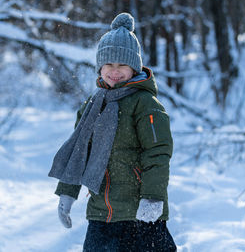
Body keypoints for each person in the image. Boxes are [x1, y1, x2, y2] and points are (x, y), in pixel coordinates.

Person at [48, 12, 176, 251]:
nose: (115, 71)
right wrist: (67, 193)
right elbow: (79, 151)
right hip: (101, 212)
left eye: (122, 65)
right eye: (109, 64)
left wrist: (153, 196)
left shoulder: (144, 104)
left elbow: (157, 152)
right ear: (100, 66)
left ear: (134, 67)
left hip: (139, 212)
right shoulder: (93, 105)